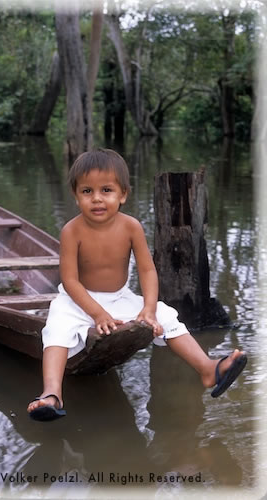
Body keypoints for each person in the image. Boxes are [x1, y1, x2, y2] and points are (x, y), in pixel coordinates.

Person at [27, 148, 247, 421]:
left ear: (123, 195)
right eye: (87, 191)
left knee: (167, 316)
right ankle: (52, 393)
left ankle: (207, 368)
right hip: (78, 300)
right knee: (56, 329)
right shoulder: (72, 231)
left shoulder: (131, 227)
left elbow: (146, 269)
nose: (96, 198)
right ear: (75, 196)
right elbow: (70, 281)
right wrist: (96, 313)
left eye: (106, 190)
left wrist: (149, 308)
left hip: (119, 298)